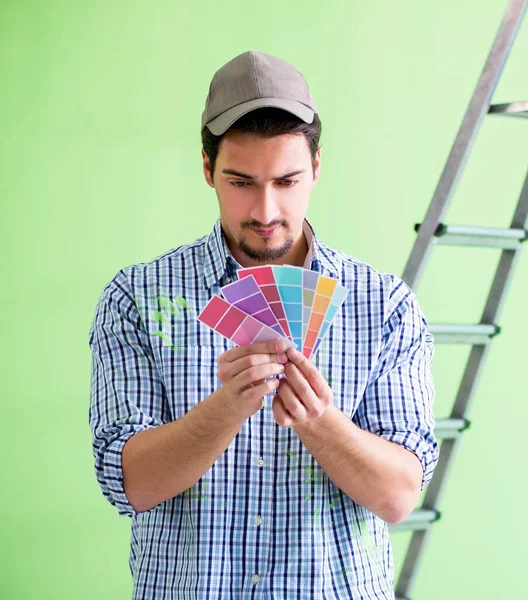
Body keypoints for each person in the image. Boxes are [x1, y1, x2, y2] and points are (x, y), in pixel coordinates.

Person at [88, 49, 439, 599]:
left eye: (288, 180)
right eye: (241, 181)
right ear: (207, 170)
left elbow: (398, 496)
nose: (266, 210)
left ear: (317, 167)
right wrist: (225, 409)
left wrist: (319, 422)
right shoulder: (137, 298)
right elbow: (129, 484)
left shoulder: (384, 304)